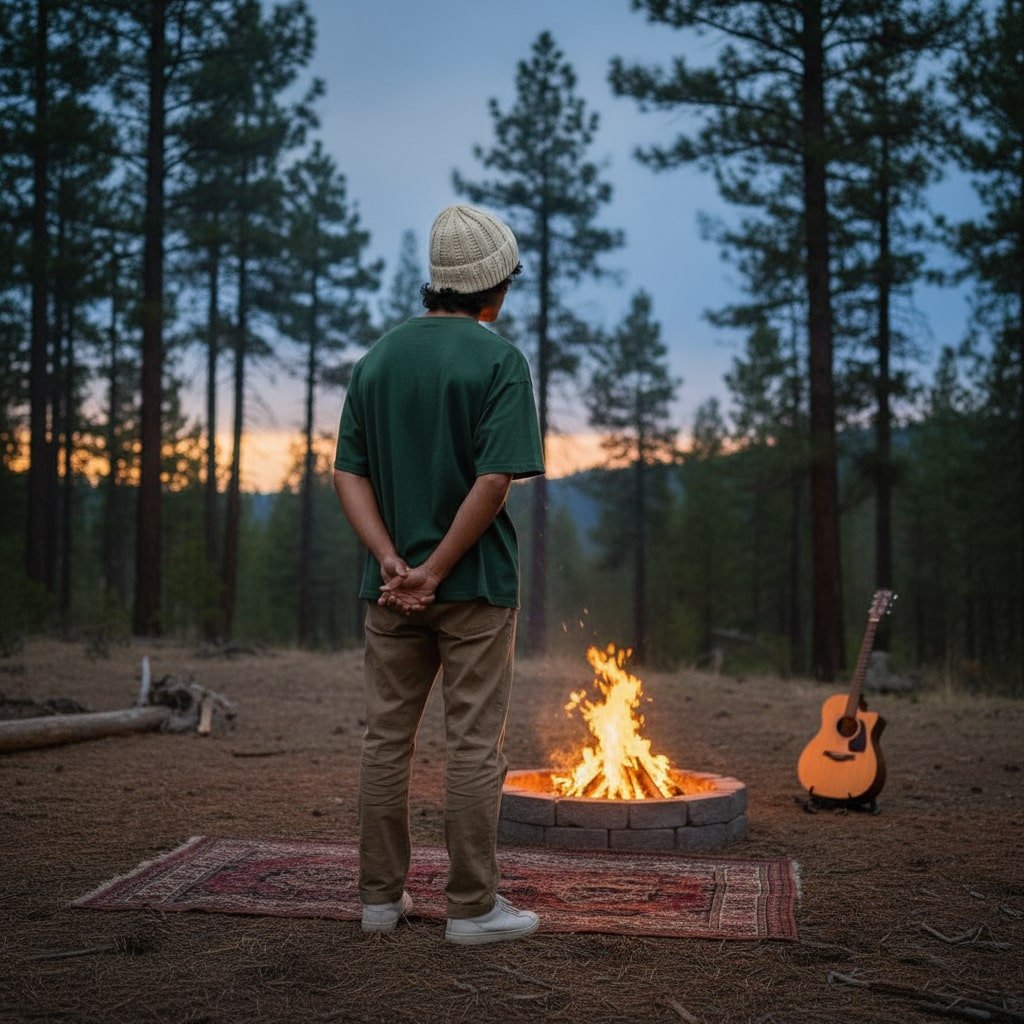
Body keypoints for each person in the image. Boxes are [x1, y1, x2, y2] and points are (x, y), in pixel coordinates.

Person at [333, 203, 545, 945]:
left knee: (386, 740)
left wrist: (393, 561)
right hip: (476, 589)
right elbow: (492, 483)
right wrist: (436, 569)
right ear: (493, 287)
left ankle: (377, 903)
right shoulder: (499, 362)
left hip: (389, 592)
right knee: (473, 747)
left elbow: (347, 475)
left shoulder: (378, 361)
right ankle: (473, 909)